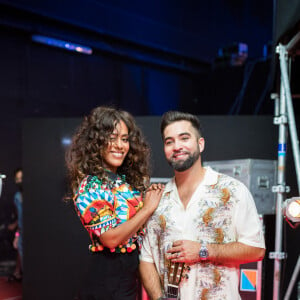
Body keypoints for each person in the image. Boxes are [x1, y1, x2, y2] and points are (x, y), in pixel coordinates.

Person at [139, 111, 266, 300]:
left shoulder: (232, 191)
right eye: (169, 141)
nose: (177, 146)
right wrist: (159, 298)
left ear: (200, 144)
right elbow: (146, 259)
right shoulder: (157, 199)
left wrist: (203, 251)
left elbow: (256, 249)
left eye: (184, 138)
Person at [65, 106, 163, 300]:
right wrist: (147, 209)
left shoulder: (124, 182)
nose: (120, 145)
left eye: (125, 139)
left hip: (128, 279)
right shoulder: (91, 185)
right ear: (96, 142)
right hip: (105, 283)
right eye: (112, 137)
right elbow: (110, 238)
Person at [8, 168, 23, 282]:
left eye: (21, 178)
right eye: (17, 179)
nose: (19, 181)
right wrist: (17, 235)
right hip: (22, 233)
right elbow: (20, 218)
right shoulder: (17, 197)